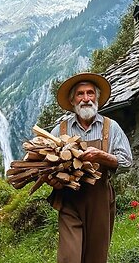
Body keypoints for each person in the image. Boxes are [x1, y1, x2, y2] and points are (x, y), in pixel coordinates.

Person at [46, 72, 133, 263]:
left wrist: (102, 156)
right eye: (80, 94)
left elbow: (127, 162)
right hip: (69, 199)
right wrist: (52, 180)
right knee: (69, 257)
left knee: (96, 256)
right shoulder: (60, 130)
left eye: (90, 93)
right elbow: (46, 166)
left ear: (97, 97)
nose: (86, 98)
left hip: (100, 199)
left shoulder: (111, 127)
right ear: (72, 100)